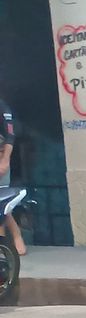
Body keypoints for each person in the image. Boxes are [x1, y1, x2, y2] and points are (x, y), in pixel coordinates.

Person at [0, 93, 21, 257]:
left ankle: (14, 237)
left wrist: (5, 160)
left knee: (1, 205)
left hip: (0, 157)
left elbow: (10, 136)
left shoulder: (2, 106)